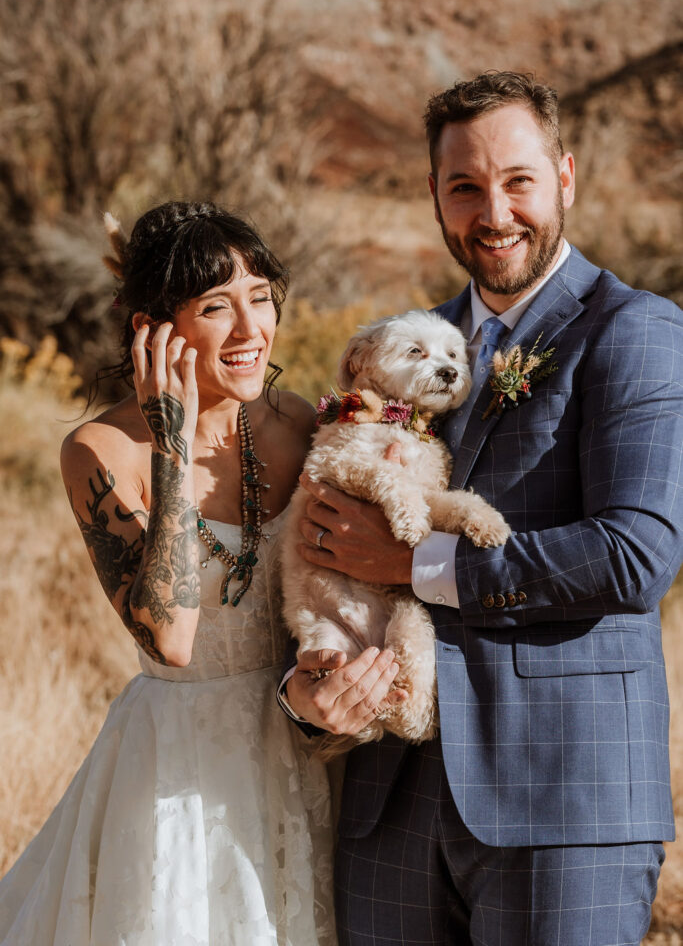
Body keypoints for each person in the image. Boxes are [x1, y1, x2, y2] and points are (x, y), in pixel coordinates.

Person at [284, 72, 683, 945]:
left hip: (561, 797)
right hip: (387, 800)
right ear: (433, 195)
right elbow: (319, 546)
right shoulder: (404, 347)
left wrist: (414, 565)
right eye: (464, 186)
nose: (492, 212)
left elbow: (633, 554)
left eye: (517, 181)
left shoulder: (634, 331)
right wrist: (302, 685)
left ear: (564, 178)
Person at [0, 201, 345, 945]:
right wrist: (173, 446)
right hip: (181, 764)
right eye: (217, 306)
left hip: (309, 738)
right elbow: (172, 639)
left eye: (261, 296)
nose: (252, 330)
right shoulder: (99, 451)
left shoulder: (298, 423)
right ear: (152, 329)